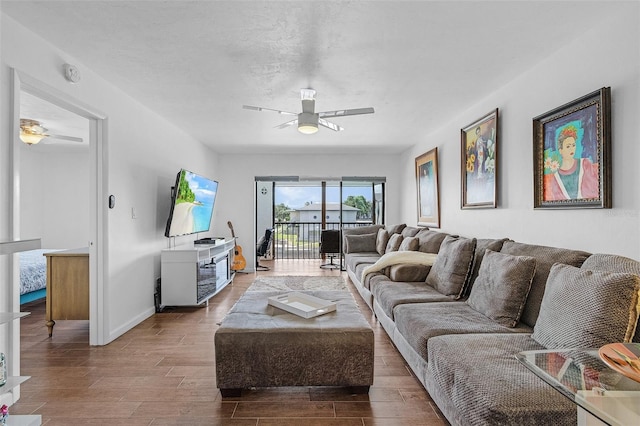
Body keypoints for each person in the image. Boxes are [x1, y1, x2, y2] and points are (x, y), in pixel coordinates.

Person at [543, 125, 599, 201]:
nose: (572, 149)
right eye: (568, 146)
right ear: (560, 150)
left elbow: (595, 191)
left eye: (573, 145)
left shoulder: (584, 164)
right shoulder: (556, 178)